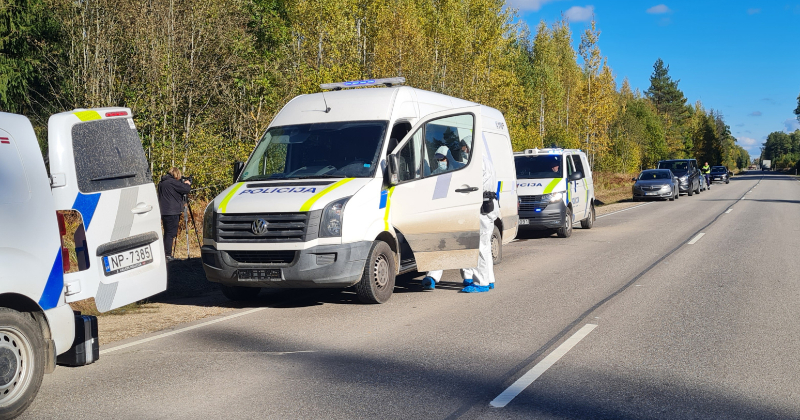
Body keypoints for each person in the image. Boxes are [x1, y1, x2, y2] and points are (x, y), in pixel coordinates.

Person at [421, 149, 498, 293]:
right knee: (483, 246)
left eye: (465, 150)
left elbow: (467, 185)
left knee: (479, 246)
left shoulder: (476, 163)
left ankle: (481, 282)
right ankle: (488, 279)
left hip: (480, 206)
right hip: (486, 205)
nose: (464, 153)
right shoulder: (484, 160)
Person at [158, 167, 191, 261]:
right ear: (176, 174)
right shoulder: (172, 182)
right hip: (172, 211)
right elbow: (186, 189)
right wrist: (188, 183)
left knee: (167, 233)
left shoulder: (162, 183)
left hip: (164, 211)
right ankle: (167, 255)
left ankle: (165, 253)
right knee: (170, 233)